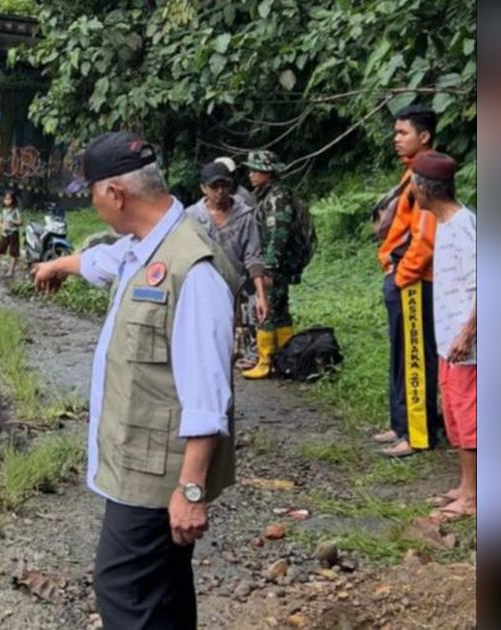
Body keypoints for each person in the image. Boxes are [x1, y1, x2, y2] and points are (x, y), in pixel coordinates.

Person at [32, 131, 238, 629]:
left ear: (115, 194)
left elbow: (208, 394)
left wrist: (190, 489)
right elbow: (105, 263)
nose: (94, 205)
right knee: (162, 593)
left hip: (156, 479)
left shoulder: (193, 270)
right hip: (139, 468)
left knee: (123, 589)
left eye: (93, 195)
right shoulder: (146, 245)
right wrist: (59, 264)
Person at [403, 152, 474, 519]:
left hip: (468, 347)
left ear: (425, 188)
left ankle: (474, 496)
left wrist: (467, 332)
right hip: (449, 343)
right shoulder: (441, 225)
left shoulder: (465, 227)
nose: (411, 190)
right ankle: (464, 486)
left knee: (470, 417)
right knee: (455, 416)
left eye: (413, 183)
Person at [372, 105, 442, 457]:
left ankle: (417, 433)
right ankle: (401, 424)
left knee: (415, 355)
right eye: (396, 133)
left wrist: (402, 275)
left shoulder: (427, 174)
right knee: (402, 352)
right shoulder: (411, 171)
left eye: (403, 133)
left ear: (424, 136)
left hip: (415, 280)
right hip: (402, 275)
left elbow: (425, 235)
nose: (396, 139)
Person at [185, 161, 269, 369]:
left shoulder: (245, 214)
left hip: (238, 281)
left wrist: (261, 295)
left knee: (244, 326)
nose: (220, 192)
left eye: (225, 186)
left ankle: (246, 352)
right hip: (205, 284)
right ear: (203, 188)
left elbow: (253, 255)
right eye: (214, 187)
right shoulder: (191, 217)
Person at [239, 150, 302, 380]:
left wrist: (268, 267)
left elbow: (279, 233)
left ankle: (265, 361)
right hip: (277, 264)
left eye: (256, 170)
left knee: (266, 309)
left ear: (268, 173)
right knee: (280, 311)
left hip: (275, 265)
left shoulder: (277, 197)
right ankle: (286, 358)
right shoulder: (267, 195)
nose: (251, 175)